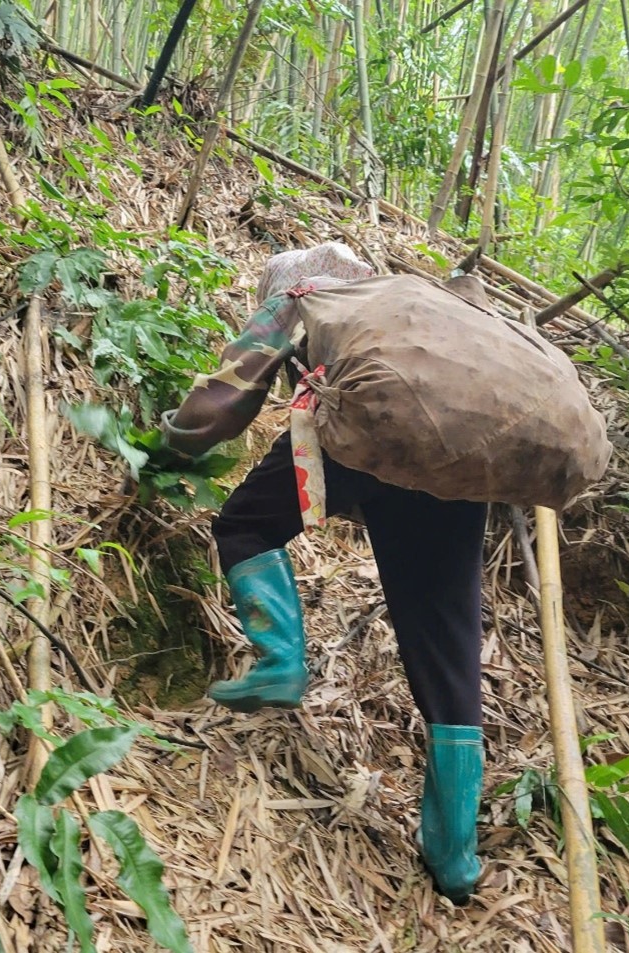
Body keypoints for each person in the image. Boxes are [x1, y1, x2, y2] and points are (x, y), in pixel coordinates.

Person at [159, 242, 489, 904]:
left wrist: (168, 439)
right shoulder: (411, 314)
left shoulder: (304, 292)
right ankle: (456, 857)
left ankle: (279, 660)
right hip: (460, 461)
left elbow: (228, 399)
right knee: (447, 641)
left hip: (371, 427)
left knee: (245, 525)